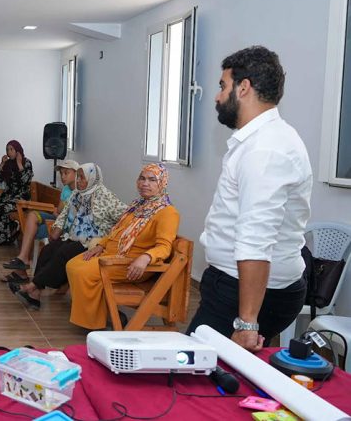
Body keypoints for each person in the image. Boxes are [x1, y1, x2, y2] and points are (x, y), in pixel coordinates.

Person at [185, 46, 312, 351]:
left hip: (245, 292)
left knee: (191, 370)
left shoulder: (265, 150)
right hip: (239, 286)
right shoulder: (262, 140)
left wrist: (247, 324)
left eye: (222, 86)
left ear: (243, 88)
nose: (217, 97)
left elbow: (256, 239)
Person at [66, 164, 179, 329]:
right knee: (73, 264)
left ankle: (96, 324)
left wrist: (146, 257)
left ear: (162, 183)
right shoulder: (138, 205)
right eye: (142, 178)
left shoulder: (167, 213)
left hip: (132, 264)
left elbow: (164, 247)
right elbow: (117, 231)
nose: (145, 183)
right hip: (113, 255)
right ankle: (104, 315)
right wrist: (101, 245)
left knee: (83, 272)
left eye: (152, 180)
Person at [10, 163, 127, 309]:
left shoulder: (105, 196)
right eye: (78, 177)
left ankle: (32, 287)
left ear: (92, 178)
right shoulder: (77, 194)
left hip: (91, 242)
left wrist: (109, 237)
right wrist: (57, 227)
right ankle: (36, 293)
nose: (78, 181)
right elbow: (64, 213)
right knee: (48, 250)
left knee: (63, 253)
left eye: (82, 178)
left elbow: (126, 216)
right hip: (73, 237)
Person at [2, 160, 80, 278]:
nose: (62, 177)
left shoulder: (81, 191)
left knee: (32, 229)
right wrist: (57, 212)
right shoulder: (65, 190)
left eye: (66, 173)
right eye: (61, 174)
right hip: (57, 218)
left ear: (77, 174)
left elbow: (65, 214)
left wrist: (58, 212)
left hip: (66, 226)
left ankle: (22, 269)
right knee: (32, 215)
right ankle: (23, 258)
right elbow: (58, 211)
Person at [0, 140, 33, 245]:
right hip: (8, 196)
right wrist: (2, 164)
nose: (9, 152)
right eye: (7, 149)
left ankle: (5, 238)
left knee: (2, 209)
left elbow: (26, 181)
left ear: (18, 150)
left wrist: (20, 164)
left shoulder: (26, 162)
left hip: (21, 198)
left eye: (11, 149)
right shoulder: (7, 164)